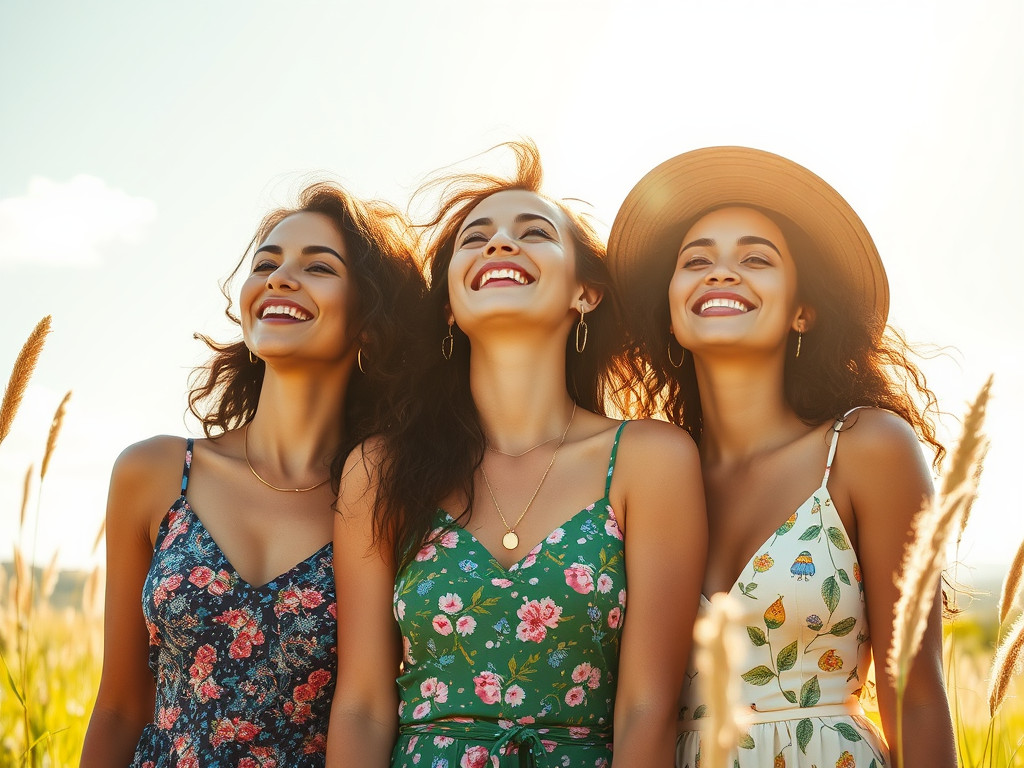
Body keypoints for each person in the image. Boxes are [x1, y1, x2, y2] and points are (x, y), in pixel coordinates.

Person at [326, 141, 707, 768]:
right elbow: (362, 705)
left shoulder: (649, 458)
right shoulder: (379, 468)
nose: (499, 245)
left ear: (586, 293)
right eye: (474, 240)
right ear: (449, 304)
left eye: (533, 233)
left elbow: (646, 706)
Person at [607, 146, 955, 768]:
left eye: (756, 259)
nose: (721, 272)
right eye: (697, 260)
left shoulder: (864, 449)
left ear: (803, 310)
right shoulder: (642, 473)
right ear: (671, 305)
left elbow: (918, 695)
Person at [81, 182, 421, 768]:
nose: (280, 277)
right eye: (267, 262)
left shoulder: (380, 497)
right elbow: (117, 706)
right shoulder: (155, 472)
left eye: (318, 267)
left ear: (369, 321)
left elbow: (368, 707)